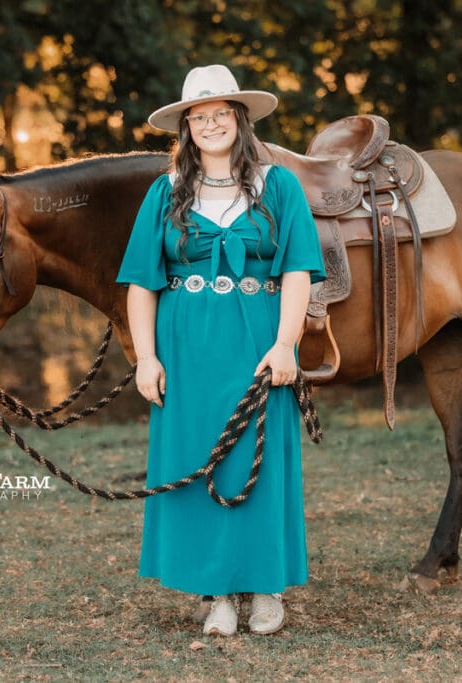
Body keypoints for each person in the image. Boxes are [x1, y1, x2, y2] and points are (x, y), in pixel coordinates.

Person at [116, 64, 326, 636]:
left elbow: (299, 270)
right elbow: (142, 283)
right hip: (185, 346)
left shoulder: (277, 185)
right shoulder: (165, 193)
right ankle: (217, 596)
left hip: (258, 338)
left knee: (256, 461)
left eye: (221, 115)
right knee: (196, 456)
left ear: (240, 120)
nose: (211, 125)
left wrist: (286, 345)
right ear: (187, 127)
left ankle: (265, 588)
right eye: (199, 117)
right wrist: (147, 356)